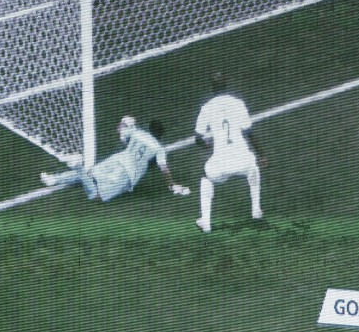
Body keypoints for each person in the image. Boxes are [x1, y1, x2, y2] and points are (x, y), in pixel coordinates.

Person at [40, 116, 191, 201]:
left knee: (90, 175)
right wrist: (173, 184)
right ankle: (78, 166)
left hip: (117, 159)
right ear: (161, 134)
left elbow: (121, 134)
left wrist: (124, 123)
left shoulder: (137, 133)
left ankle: (53, 179)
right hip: (127, 174)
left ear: (149, 127)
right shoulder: (159, 148)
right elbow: (164, 169)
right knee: (95, 196)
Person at [194, 73, 266, 232]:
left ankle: (205, 221)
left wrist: (207, 145)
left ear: (212, 87)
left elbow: (197, 138)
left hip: (220, 164)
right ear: (226, 85)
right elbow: (249, 133)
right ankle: (256, 211)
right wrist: (262, 155)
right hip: (242, 159)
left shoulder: (206, 108)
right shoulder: (238, 104)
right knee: (254, 167)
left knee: (205, 175)